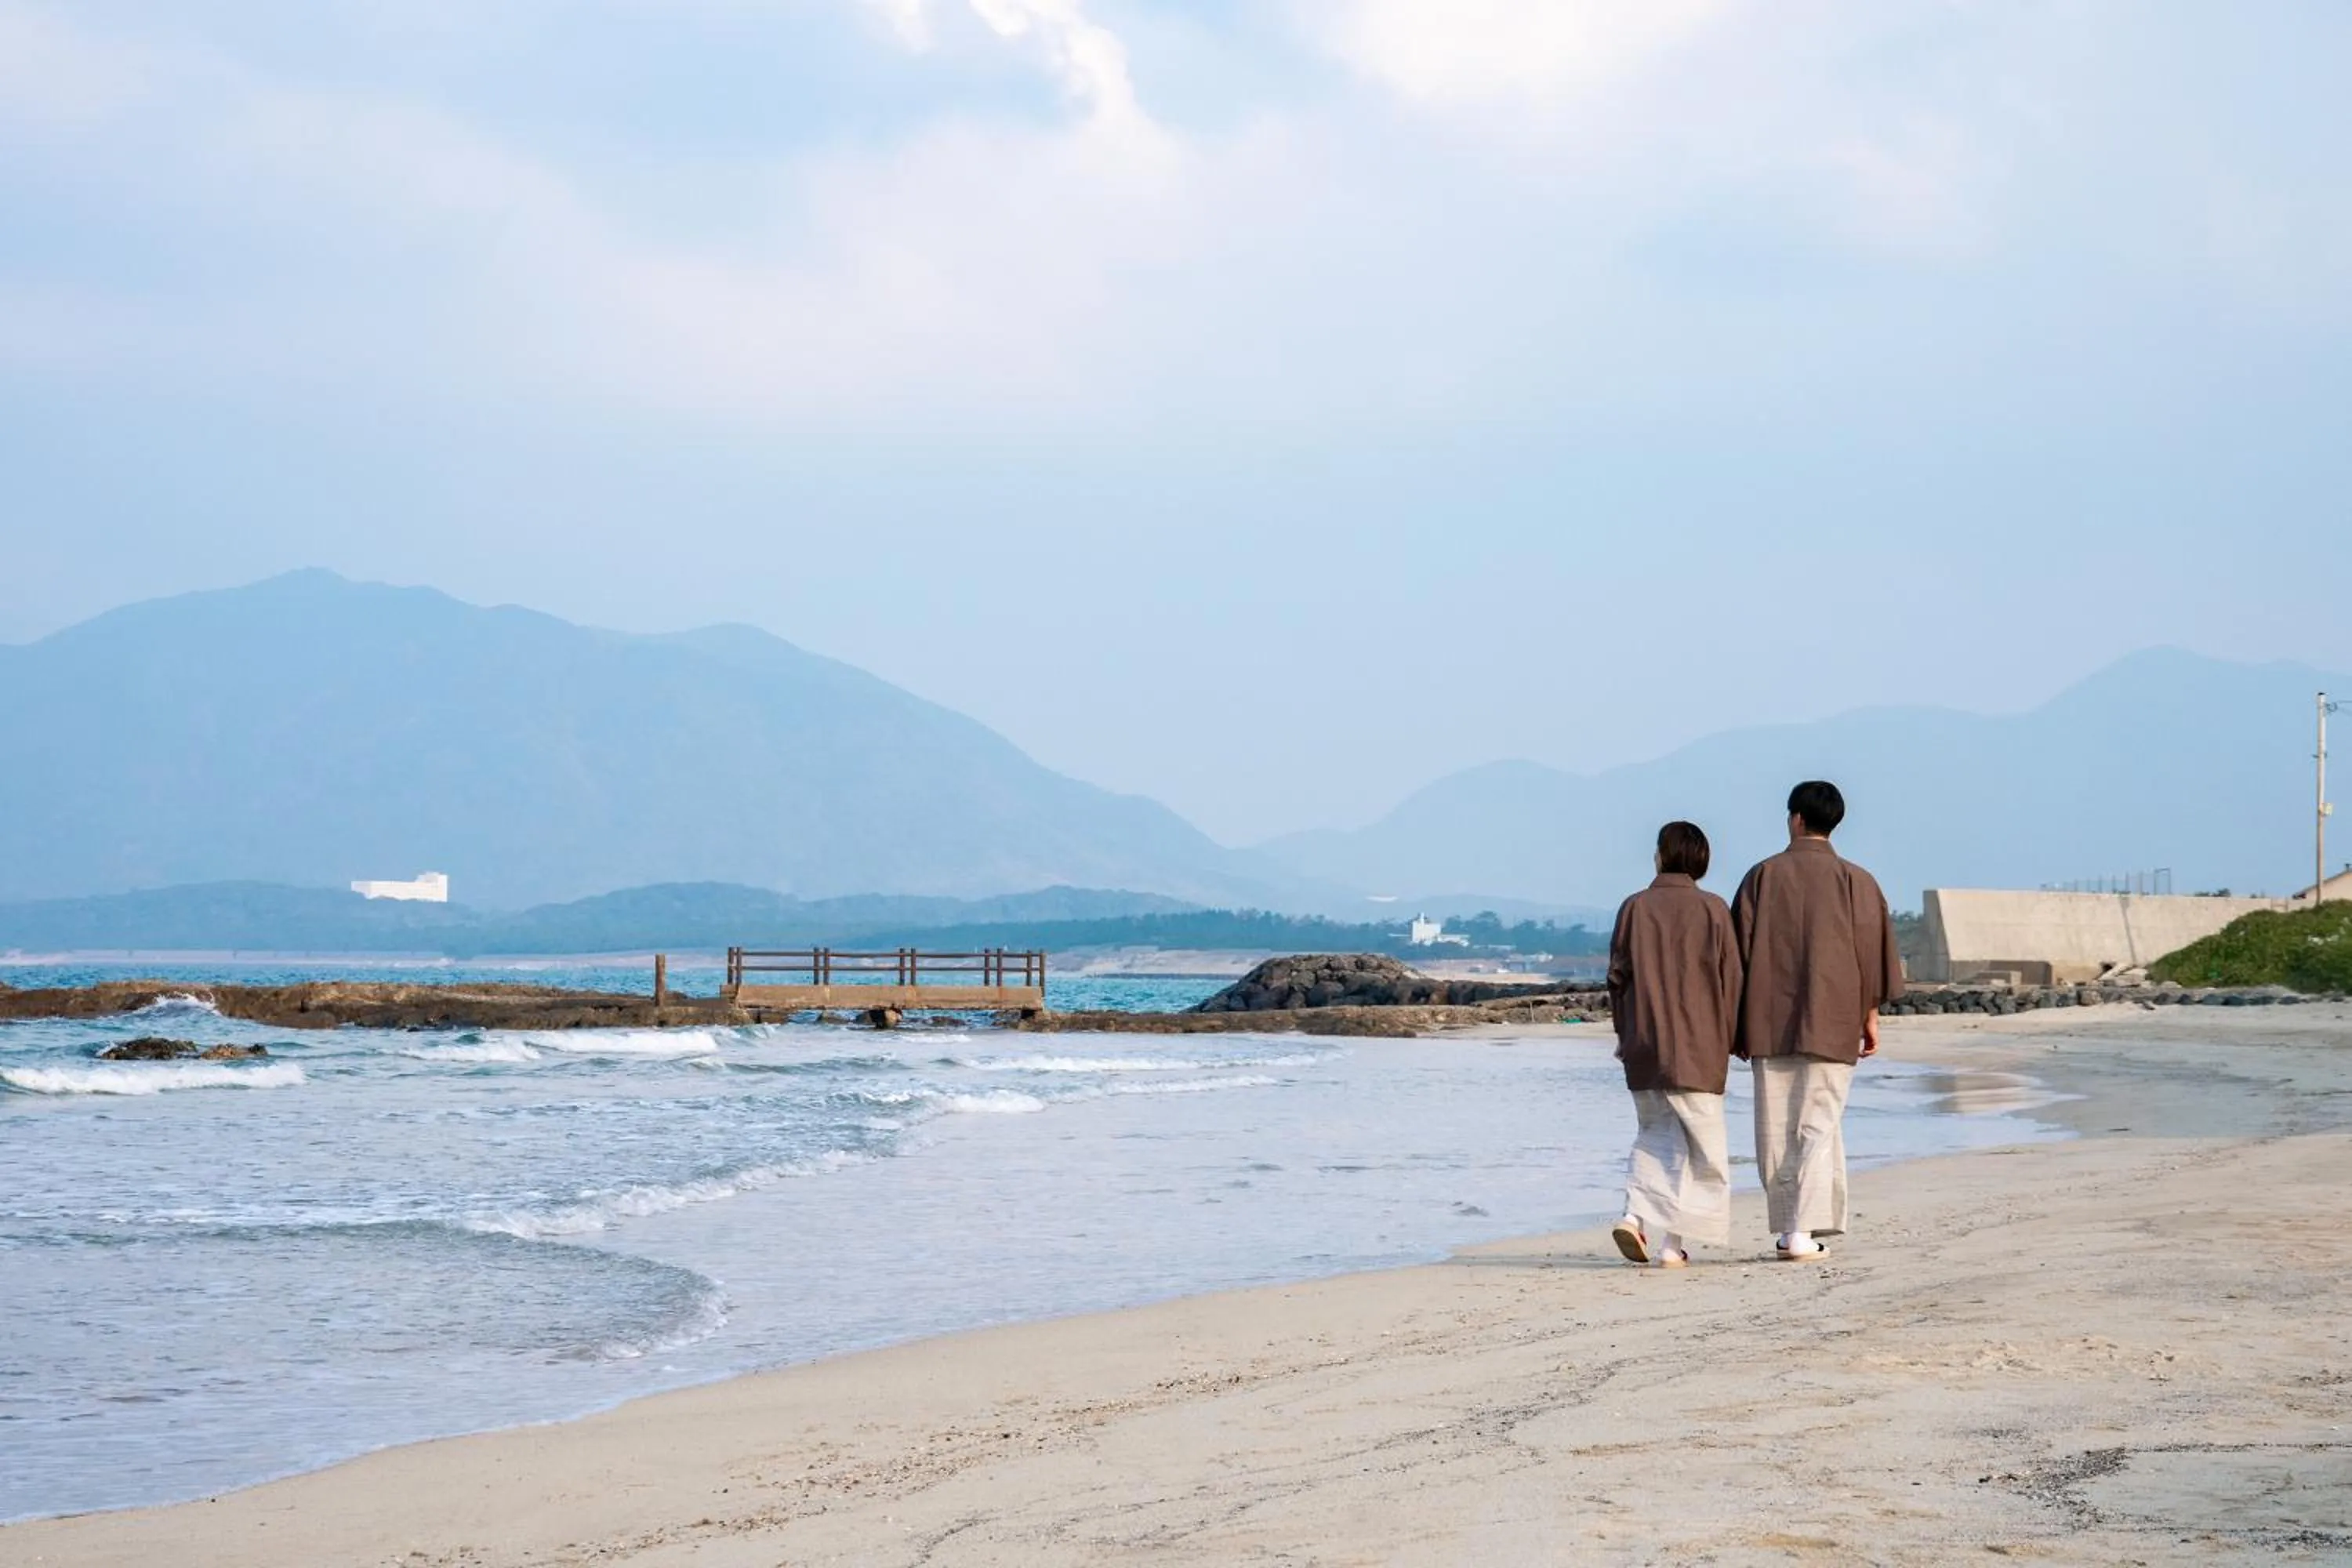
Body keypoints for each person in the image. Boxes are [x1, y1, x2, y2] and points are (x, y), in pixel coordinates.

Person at [1730, 780, 1904, 1259]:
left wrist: (1736, 1026)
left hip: (1768, 1022)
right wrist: (1870, 1016)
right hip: (1836, 1021)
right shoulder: (1858, 881)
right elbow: (1873, 956)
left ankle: (1792, 1229)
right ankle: (1801, 1232)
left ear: (1796, 819)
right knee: (1819, 1126)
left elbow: (1735, 959)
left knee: (1776, 1130)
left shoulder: (1762, 876)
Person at [1606, 820, 1742, 1268]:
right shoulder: (1713, 909)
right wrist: (1734, 1037)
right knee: (1698, 1147)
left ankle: (1634, 1215)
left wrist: (1625, 1034)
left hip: (1644, 1044)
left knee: (1655, 1134)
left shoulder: (1634, 908)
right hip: (1699, 1046)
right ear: (1702, 860)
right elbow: (1731, 983)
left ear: (1661, 855)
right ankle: (1669, 1244)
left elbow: (1618, 980)